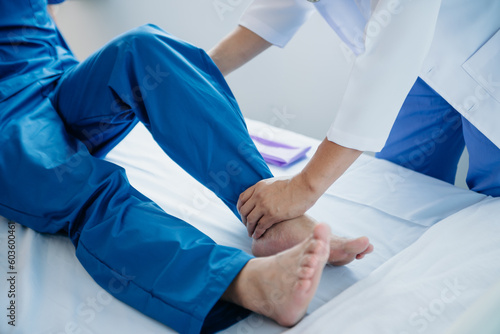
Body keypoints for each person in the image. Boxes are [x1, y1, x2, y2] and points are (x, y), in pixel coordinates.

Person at [0, 0, 373, 332]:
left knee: (144, 47)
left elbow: (46, 12)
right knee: (83, 190)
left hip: (55, 78)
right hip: (7, 113)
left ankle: (269, 214)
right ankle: (246, 282)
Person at [209, 0, 500, 239]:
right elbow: (281, 7)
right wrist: (200, 70)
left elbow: (390, 52)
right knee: (404, 192)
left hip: (488, 52)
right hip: (426, 63)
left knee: (491, 218)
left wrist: (304, 187)